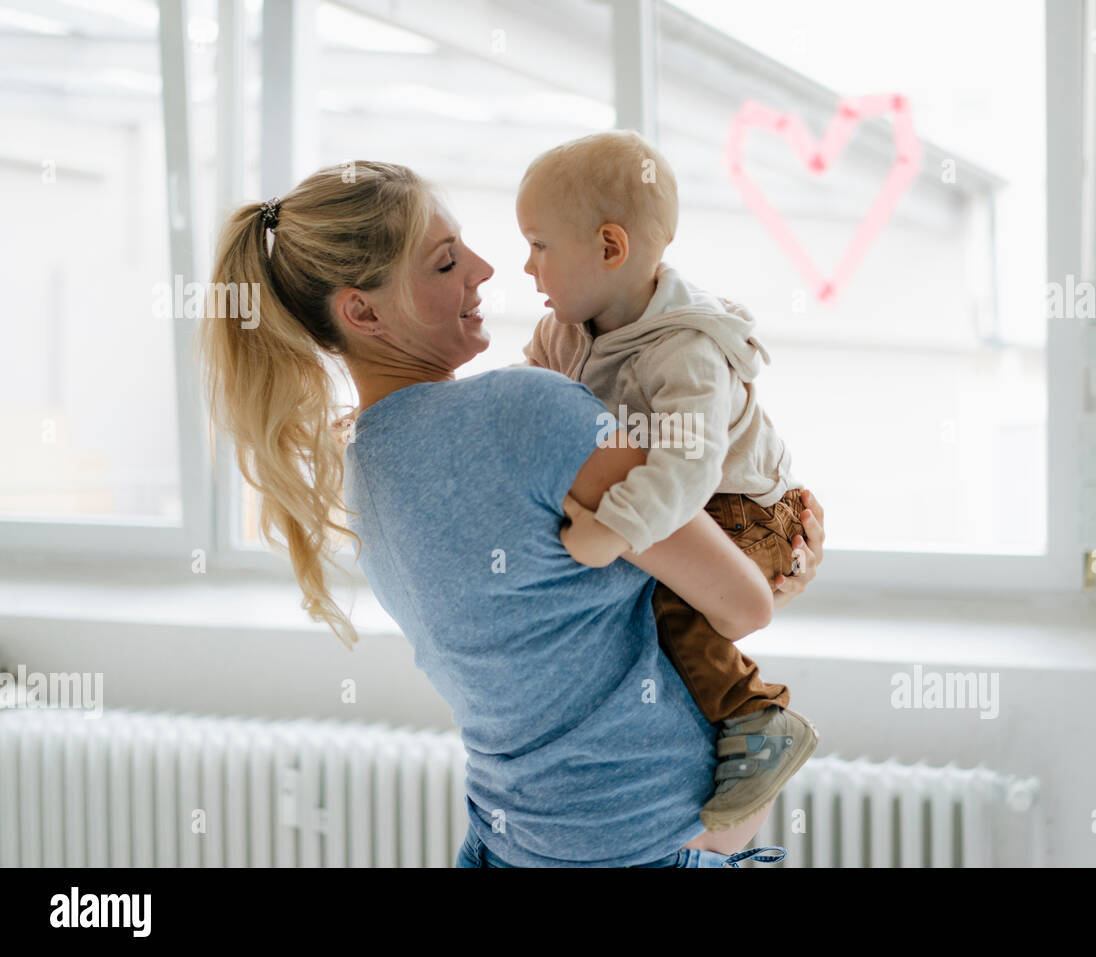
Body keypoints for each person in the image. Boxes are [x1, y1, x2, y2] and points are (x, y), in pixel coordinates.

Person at [199, 160, 825, 867]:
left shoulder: (360, 472)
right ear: (363, 312)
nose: (487, 267)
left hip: (519, 839)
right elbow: (742, 604)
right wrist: (773, 548)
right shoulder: (527, 412)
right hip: (640, 838)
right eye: (445, 262)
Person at [516, 130, 817, 831]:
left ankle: (757, 713)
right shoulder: (568, 330)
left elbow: (687, 465)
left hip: (747, 510)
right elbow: (523, 399)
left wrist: (615, 527)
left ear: (610, 249)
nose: (526, 267)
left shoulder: (684, 350)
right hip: (687, 497)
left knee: (665, 601)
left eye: (538, 245)